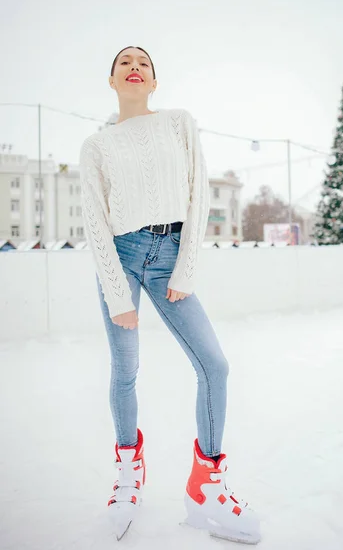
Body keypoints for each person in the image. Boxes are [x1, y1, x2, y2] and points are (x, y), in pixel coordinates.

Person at [79, 46, 261, 544]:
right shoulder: (96, 145)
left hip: (170, 252)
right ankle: (127, 473)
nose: (134, 67)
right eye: (124, 63)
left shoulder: (179, 123)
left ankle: (206, 484)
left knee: (214, 365)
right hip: (121, 254)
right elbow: (95, 221)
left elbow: (198, 192)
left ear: (154, 81)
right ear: (112, 80)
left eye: (144, 63)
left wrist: (186, 266)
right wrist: (118, 295)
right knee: (125, 370)